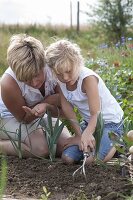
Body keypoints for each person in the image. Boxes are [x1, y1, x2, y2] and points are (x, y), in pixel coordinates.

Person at [45, 39, 124, 164]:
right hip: (89, 124)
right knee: (68, 158)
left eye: (69, 71)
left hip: (110, 124)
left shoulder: (88, 79)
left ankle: (117, 143)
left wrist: (86, 134)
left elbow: (95, 113)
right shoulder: (60, 81)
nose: (65, 77)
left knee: (92, 160)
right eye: (59, 74)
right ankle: (100, 143)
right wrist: (79, 135)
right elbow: (67, 109)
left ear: (77, 63)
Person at [0, 34, 71, 158]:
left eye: (37, 75)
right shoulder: (8, 83)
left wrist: (47, 105)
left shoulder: (53, 68)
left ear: (43, 64)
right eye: (26, 79)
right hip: (9, 118)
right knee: (41, 149)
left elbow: (65, 111)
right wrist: (49, 102)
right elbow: (24, 119)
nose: (34, 83)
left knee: (65, 146)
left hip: (41, 114)